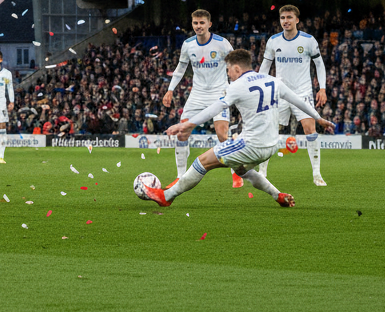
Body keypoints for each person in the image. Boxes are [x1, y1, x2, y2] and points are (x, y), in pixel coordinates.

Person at [143, 49, 335, 208]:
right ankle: (278, 195)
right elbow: (299, 101)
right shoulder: (273, 81)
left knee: (202, 162)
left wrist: (186, 124)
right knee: (242, 170)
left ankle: (166, 196)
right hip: (271, 146)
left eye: (228, 70)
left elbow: (215, 108)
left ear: (236, 68)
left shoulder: (237, 86)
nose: (228, 74)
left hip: (251, 145)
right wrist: (319, 119)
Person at [161, 9, 238, 186]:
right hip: (197, 94)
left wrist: (237, 88)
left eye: (202, 23)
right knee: (182, 133)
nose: (198, 26)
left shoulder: (222, 43)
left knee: (222, 135)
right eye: (195, 23)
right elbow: (180, 69)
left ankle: (236, 172)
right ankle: (181, 177)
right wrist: (170, 89)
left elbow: (236, 64)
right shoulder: (188, 44)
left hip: (220, 93)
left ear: (209, 24)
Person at [259, 5, 329, 186]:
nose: (285, 21)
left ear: (297, 20)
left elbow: (319, 65)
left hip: (302, 92)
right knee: (272, 130)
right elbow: (265, 67)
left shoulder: (308, 40)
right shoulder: (273, 41)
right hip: (279, 92)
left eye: (289, 17)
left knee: (309, 129)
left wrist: (322, 88)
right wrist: (260, 86)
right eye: (282, 18)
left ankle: (317, 174)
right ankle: (262, 173)